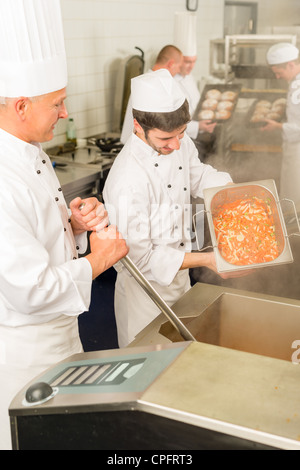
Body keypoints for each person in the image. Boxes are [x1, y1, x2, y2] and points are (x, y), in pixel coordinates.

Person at [0, 0, 128, 450]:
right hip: (26, 351)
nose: (65, 111)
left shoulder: (29, 150)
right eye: (56, 103)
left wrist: (71, 225)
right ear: (20, 105)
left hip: (61, 333)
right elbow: (29, 288)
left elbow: (37, 239)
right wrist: (99, 259)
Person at [103, 69, 237, 348]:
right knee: (151, 366)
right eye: (166, 139)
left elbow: (196, 174)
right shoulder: (127, 180)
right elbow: (141, 260)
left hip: (180, 280)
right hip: (145, 296)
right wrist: (207, 260)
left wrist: (229, 191)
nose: (176, 145)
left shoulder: (177, 140)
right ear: (137, 125)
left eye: (182, 134)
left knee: (183, 359)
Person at [120, 45, 183, 144]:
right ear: (171, 64)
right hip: (139, 147)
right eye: (179, 67)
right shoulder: (151, 86)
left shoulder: (148, 83)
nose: (179, 71)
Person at [262, 42, 300, 207]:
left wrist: (277, 126)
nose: (277, 77)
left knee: (293, 199)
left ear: (291, 65)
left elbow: (298, 129)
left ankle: (292, 230)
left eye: (279, 72)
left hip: (297, 151)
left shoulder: (297, 87)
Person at [173, 11, 216, 143]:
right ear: (177, 60)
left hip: (196, 138)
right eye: (187, 62)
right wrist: (197, 126)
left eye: (194, 61)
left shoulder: (189, 77)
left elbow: (195, 106)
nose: (191, 66)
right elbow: (170, 121)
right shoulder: (169, 81)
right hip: (180, 139)